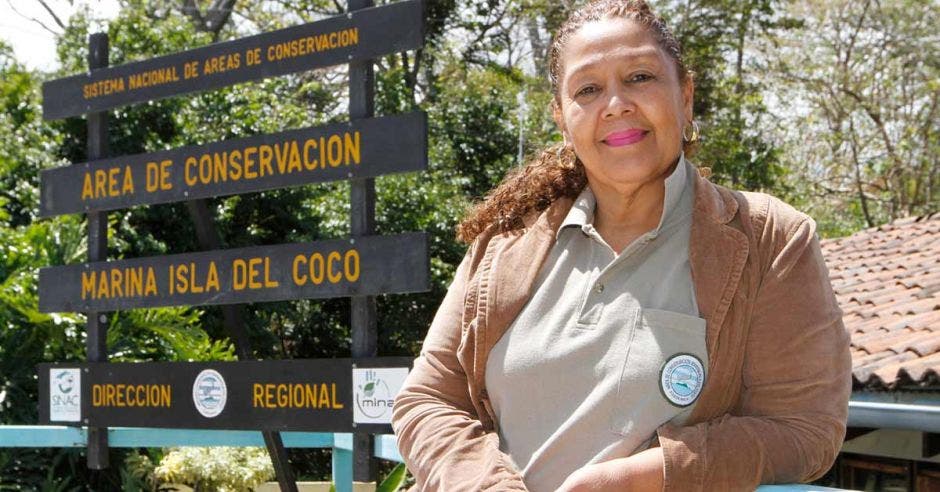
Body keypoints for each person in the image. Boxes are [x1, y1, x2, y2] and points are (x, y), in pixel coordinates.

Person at [392, 0, 852, 490]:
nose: (616, 104)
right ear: (562, 120)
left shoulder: (769, 239)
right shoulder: (502, 246)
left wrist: (651, 476)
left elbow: (803, 430)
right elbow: (426, 400)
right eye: (588, 89)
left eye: (640, 77)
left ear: (686, 96)